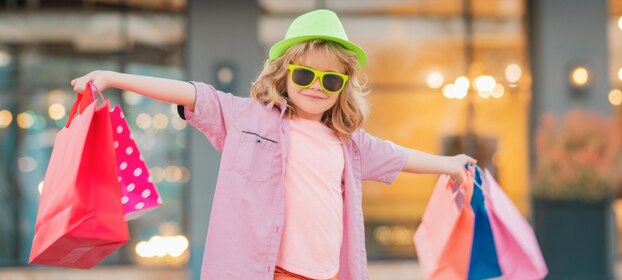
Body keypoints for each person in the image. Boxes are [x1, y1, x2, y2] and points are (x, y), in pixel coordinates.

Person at [71, 9, 476, 280]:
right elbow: (190, 92)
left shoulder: (349, 143)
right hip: (270, 272)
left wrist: (451, 162)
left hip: (329, 273)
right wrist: (113, 77)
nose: (317, 87)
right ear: (284, 75)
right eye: (305, 76)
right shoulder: (247, 117)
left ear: (343, 89)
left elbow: (401, 157)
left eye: (331, 80)